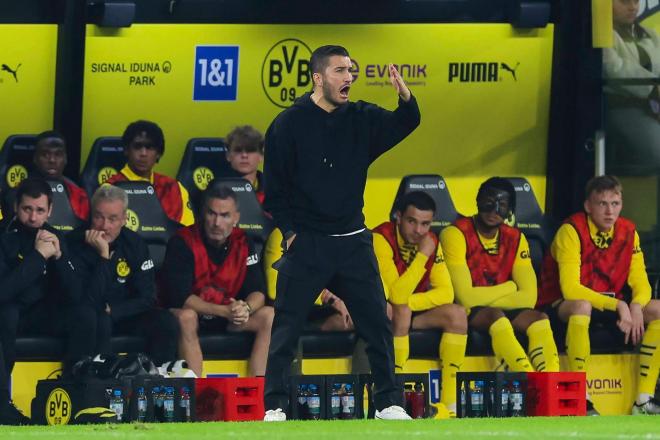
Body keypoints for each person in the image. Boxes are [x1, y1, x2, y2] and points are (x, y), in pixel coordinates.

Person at [263, 44, 420, 421]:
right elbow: (274, 188)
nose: (349, 77)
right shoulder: (288, 124)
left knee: (378, 326)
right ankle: (275, 406)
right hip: (308, 242)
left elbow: (405, 122)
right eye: (340, 71)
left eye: (351, 70)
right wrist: (289, 232)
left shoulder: (361, 117)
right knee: (286, 327)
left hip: (353, 241)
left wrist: (405, 98)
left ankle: (388, 402)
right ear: (318, 77)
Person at [538, 175, 660, 415]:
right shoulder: (571, 231)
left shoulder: (628, 232)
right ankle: (579, 396)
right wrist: (619, 305)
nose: (609, 211)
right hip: (561, 305)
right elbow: (570, 288)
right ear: (588, 206)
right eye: (602, 203)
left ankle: (644, 399)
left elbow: (641, 282)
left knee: (656, 308)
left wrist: (635, 305)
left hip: (610, 305)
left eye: (615, 204)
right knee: (582, 305)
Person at [440, 177, 559, 374]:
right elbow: (465, 298)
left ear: (510, 210)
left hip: (498, 305)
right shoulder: (455, 234)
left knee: (539, 318)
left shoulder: (516, 237)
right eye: (489, 201)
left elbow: (529, 298)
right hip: (468, 311)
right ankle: (526, 378)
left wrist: (487, 296)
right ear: (478, 201)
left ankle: (549, 381)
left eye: (502, 204)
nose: (494, 210)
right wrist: (511, 287)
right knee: (497, 316)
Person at [160, 184, 274, 377]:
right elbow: (181, 298)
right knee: (186, 317)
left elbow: (258, 292)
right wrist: (225, 312)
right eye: (212, 214)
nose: (217, 222)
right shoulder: (182, 241)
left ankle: (257, 390)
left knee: (269, 315)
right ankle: (195, 393)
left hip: (227, 316)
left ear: (236, 218)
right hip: (194, 315)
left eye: (225, 216)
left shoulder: (243, 241)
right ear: (203, 214)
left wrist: (245, 309)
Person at [373, 191, 467, 419]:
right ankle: (396, 396)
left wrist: (408, 304)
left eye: (425, 224)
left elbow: (446, 292)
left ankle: (451, 403)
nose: (419, 230)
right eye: (412, 221)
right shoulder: (380, 238)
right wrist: (423, 256)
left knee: (457, 314)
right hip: (381, 309)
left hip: (408, 309)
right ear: (398, 216)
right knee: (399, 310)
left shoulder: (431, 241)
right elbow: (394, 293)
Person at [66, 184, 179, 368]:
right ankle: (98, 380)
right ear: (90, 215)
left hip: (124, 313)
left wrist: (116, 310)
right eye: (98, 217)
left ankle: (158, 379)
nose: (105, 226)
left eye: (113, 219)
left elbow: (148, 297)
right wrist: (103, 256)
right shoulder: (74, 243)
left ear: (124, 219)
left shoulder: (135, 244)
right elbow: (87, 300)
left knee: (165, 322)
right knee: (97, 318)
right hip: (89, 317)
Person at [0, 178, 80, 425]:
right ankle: (3, 403)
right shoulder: (4, 235)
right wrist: (37, 258)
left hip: (42, 314)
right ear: (16, 207)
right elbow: (4, 291)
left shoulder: (53, 236)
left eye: (40, 211)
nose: (33, 218)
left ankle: (79, 396)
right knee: (6, 311)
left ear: (50, 210)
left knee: (86, 314)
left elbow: (74, 293)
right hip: (11, 314)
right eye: (27, 209)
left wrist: (59, 258)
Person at [603, 0, 660, 174]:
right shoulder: (601, 34)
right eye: (625, 2)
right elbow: (614, 69)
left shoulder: (650, 34)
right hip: (621, 107)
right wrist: (653, 88)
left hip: (653, 106)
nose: (633, 7)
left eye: (636, 1)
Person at [263, 228, 354, 332]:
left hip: (322, 308)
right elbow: (274, 289)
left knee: (362, 317)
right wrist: (324, 296)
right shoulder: (281, 234)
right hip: (290, 307)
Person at [107, 120, 194, 226]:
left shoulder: (174, 188)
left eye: (149, 147)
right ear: (126, 150)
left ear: (158, 153)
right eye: (137, 147)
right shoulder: (109, 189)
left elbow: (187, 232)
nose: (143, 153)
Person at [2, 131, 89, 222]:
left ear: (65, 159)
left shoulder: (78, 194)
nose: (52, 160)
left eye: (58, 154)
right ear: (35, 158)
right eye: (45, 154)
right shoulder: (17, 193)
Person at [225, 125, 266, 204]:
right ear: (228, 156)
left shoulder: (275, 191)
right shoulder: (216, 190)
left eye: (251, 150)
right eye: (238, 150)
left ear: (261, 156)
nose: (244, 155)